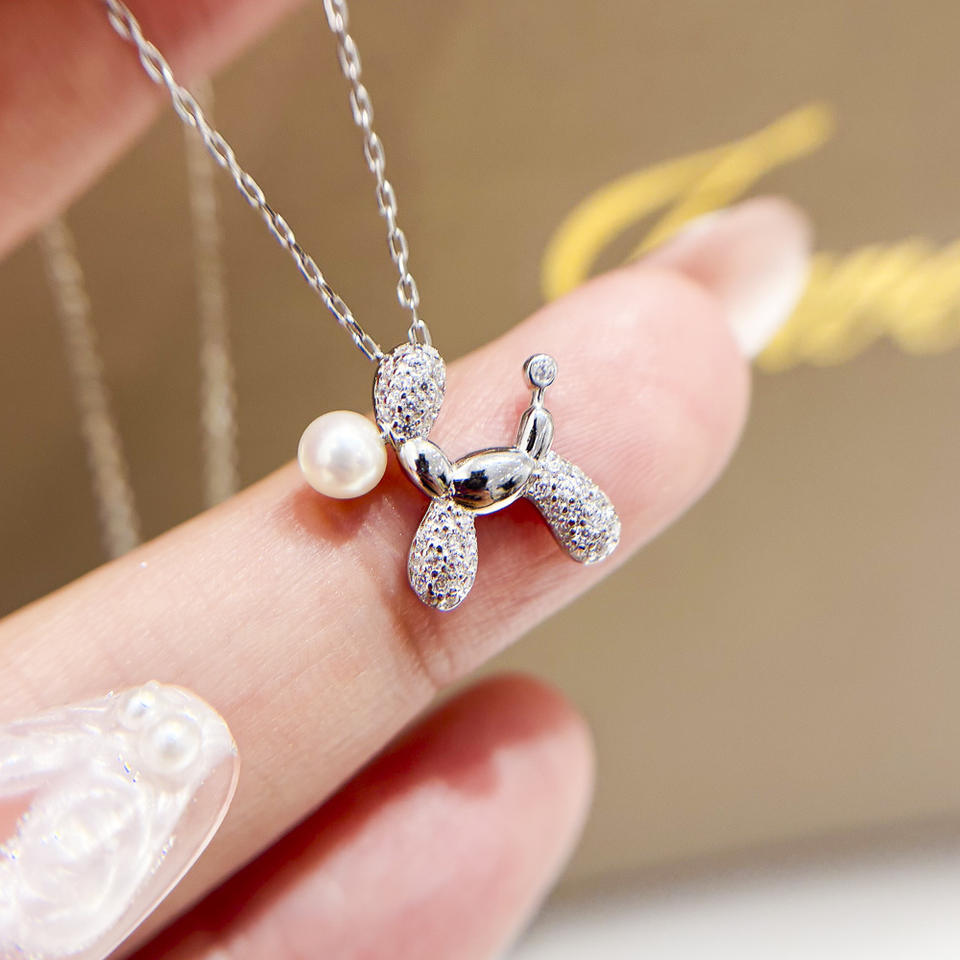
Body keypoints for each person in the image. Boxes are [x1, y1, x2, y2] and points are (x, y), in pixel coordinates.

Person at [0, 2, 810, 957]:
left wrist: (525, 446)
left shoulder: (452, 462)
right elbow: (455, 476)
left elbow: (489, 468)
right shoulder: (428, 462)